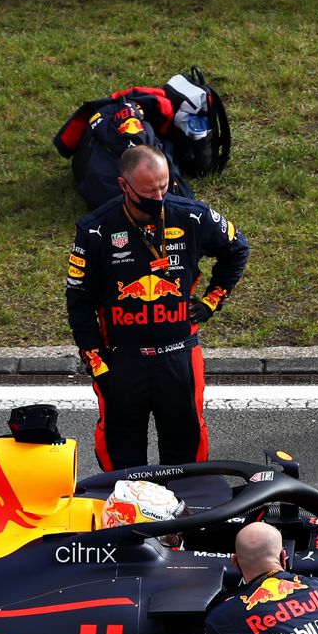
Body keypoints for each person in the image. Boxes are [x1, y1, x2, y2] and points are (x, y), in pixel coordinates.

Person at [66, 144, 249, 471]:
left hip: (179, 356)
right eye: (149, 192)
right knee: (123, 464)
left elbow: (237, 249)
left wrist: (212, 300)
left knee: (186, 461)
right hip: (121, 360)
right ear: (124, 185)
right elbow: (78, 300)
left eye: (165, 186)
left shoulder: (192, 216)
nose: (159, 197)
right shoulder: (95, 230)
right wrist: (94, 358)